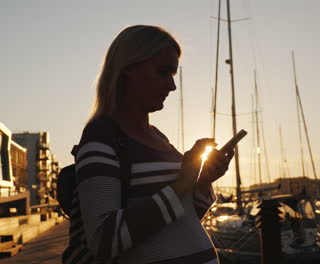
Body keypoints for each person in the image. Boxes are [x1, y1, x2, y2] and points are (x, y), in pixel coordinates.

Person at [62, 25, 234, 264]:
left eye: (173, 76)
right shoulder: (102, 137)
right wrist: (183, 182)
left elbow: (180, 219)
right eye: (163, 72)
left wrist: (203, 182)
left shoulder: (159, 138)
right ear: (129, 69)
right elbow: (103, 240)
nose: (172, 86)